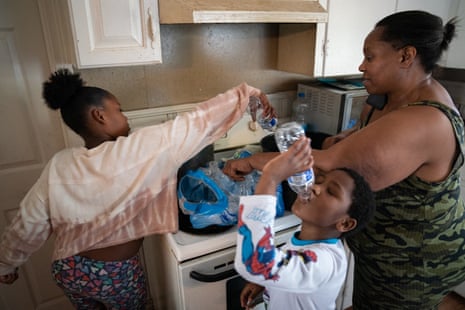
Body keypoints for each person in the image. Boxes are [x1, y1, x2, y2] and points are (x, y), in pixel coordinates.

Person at [224, 10, 465, 309]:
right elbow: (356, 140)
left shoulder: (424, 120)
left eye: (370, 57)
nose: (361, 65)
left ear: (406, 56)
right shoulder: (383, 98)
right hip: (378, 249)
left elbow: (331, 164)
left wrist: (259, 164)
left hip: (411, 262)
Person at [0, 68, 274, 309]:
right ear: (99, 115)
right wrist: (246, 93)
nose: (126, 118)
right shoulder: (131, 152)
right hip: (116, 275)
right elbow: (192, 123)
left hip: (68, 270)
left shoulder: (59, 164)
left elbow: (29, 220)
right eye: (119, 110)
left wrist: (6, 263)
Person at [235, 137, 375, 310]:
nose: (315, 187)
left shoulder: (326, 262)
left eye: (331, 192)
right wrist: (270, 283)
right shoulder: (304, 234)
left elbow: (256, 264)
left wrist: (270, 178)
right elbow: (284, 264)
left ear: (345, 224)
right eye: (319, 180)